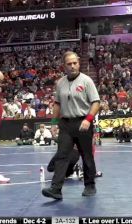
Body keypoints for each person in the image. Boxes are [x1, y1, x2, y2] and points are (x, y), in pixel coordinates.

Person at [42, 51, 100, 200]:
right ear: (64, 66)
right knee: (62, 155)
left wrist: (88, 119)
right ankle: (56, 189)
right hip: (66, 124)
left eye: (75, 63)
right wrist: (54, 123)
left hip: (83, 122)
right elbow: (57, 104)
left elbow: (96, 102)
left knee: (86, 155)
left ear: (79, 64)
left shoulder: (86, 81)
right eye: (69, 64)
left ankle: (90, 185)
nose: (73, 66)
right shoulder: (60, 82)